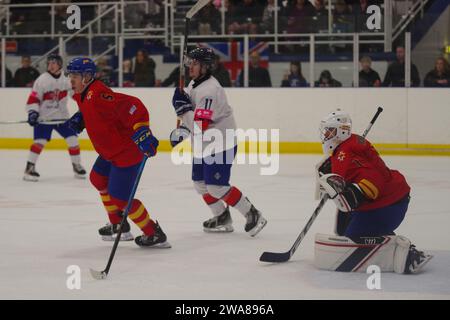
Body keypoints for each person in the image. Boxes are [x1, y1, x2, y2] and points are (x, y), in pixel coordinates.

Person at [66, 57, 170, 248]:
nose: (71, 80)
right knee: (98, 178)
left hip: (126, 152)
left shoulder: (97, 94)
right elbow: (99, 114)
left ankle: (153, 232)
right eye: (70, 75)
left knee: (121, 198)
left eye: (75, 76)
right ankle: (118, 225)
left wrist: (142, 130)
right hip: (110, 151)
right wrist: (81, 118)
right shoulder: (82, 93)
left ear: (87, 77)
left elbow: (134, 106)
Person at [314, 110, 432, 274]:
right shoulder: (348, 145)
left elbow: (375, 180)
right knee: (343, 230)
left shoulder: (345, 152)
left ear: (341, 131)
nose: (326, 135)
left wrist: (352, 192)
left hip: (387, 205)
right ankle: (384, 236)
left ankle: (407, 254)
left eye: (330, 131)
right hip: (389, 199)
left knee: (354, 242)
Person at [170, 47, 267, 236]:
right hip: (204, 142)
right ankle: (221, 216)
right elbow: (194, 120)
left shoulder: (209, 91)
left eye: (195, 63)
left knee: (216, 186)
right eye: (190, 62)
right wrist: (182, 129)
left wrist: (182, 111)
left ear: (206, 67)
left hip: (221, 142)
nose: (190, 67)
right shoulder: (194, 84)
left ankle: (252, 213)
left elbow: (200, 124)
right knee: (200, 183)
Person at [23, 54, 86, 182]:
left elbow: (76, 94)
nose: (51, 66)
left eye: (54, 63)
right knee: (40, 142)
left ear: (60, 65)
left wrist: (84, 105)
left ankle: (76, 165)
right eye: (49, 63)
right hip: (45, 118)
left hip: (62, 118)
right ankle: (29, 168)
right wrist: (32, 113)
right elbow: (34, 99)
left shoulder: (67, 80)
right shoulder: (42, 80)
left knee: (73, 140)